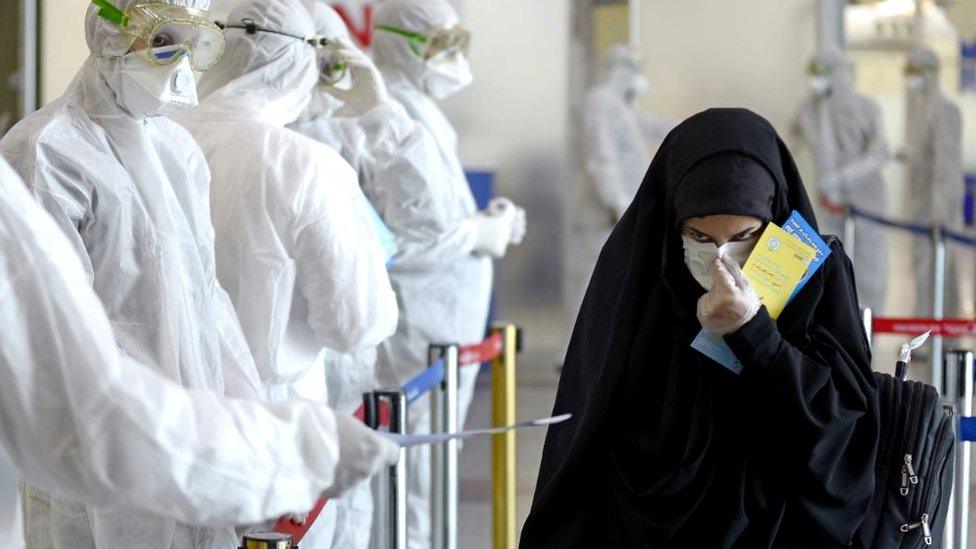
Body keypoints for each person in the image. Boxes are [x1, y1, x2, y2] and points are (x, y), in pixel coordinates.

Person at [0, 156, 400, 549]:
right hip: (179, 446)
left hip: (191, 443)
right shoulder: (48, 152)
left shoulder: (180, 147)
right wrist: (300, 450)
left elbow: (209, 308)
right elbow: (88, 417)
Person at [521, 109, 878, 547]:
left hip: (775, 527)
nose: (722, 259)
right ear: (673, 225)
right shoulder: (639, 276)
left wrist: (756, 335)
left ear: (774, 221)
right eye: (701, 238)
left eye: (745, 236)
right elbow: (593, 430)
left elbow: (842, 433)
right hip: (644, 526)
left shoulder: (814, 277)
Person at [0, 0, 268, 546]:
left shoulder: (178, 150)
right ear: (110, 30)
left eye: (196, 44)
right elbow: (51, 334)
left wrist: (250, 421)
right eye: (165, 38)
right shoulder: (45, 151)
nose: (181, 62)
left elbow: (206, 300)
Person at [286, 2, 440, 546]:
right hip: (299, 370)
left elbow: (426, 215)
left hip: (341, 366)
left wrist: (378, 112)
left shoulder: (342, 136)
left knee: (343, 514)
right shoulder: (283, 151)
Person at [371, 0, 526, 545]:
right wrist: (480, 235)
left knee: (432, 468)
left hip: (444, 329)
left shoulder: (419, 110)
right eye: (441, 45)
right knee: (411, 476)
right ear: (397, 41)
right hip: (416, 331)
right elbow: (395, 243)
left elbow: (431, 219)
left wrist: (485, 225)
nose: (455, 60)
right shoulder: (387, 114)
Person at [562, 44, 673, 365]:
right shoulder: (599, 102)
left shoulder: (617, 106)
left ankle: (594, 353)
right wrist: (618, 203)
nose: (640, 78)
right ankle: (574, 356)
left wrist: (697, 125)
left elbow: (649, 125)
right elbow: (601, 157)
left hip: (613, 213)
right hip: (602, 214)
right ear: (622, 70)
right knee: (590, 285)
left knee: (607, 284)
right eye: (636, 70)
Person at [793, 47, 890, 313]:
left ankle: (869, 335)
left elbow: (879, 152)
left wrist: (842, 177)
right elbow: (790, 144)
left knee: (868, 272)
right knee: (828, 267)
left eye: (821, 73)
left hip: (865, 205)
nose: (815, 80)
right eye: (812, 73)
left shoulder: (867, 108)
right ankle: (837, 335)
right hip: (826, 204)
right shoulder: (808, 111)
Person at [903, 46, 963, 318]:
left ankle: (937, 336)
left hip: (938, 211)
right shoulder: (918, 112)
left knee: (937, 273)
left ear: (929, 74)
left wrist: (940, 212)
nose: (909, 78)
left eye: (913, 71)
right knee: (924, 273)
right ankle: (928, 329)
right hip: (921, 207)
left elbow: (946, 168)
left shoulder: (945, 110)